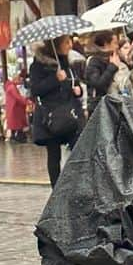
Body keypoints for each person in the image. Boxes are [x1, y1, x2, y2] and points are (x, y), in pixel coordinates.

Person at [29, 35, 83, 185]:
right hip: (50, 116)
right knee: (54, 155)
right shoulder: (38, 65)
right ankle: (57, 188)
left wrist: (77, 89)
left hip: (69, 114)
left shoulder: (66, 63)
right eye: (66, 42)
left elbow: (72, 83)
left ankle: (77, 183)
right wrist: (55, 79)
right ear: (56, 44)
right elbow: (36, 89)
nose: (70, 45)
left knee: (79, 148)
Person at [83, 30, 120, 109]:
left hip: (114, 103)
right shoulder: (94, 61)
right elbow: (98, 84)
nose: (117, 46)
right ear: (106, 44)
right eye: (115, 43)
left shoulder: (114, 58)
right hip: (99, 107)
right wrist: (112, 67)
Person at [4, 74, 28, 142]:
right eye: (19, 79)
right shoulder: (12, 87)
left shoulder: (10, 86)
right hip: (15, 109)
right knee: (18, 123)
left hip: (13, 108)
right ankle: (19, 137)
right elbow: (18, 97)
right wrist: (26, 101)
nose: (20, 81)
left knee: (14, 124)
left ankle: (14, 136)